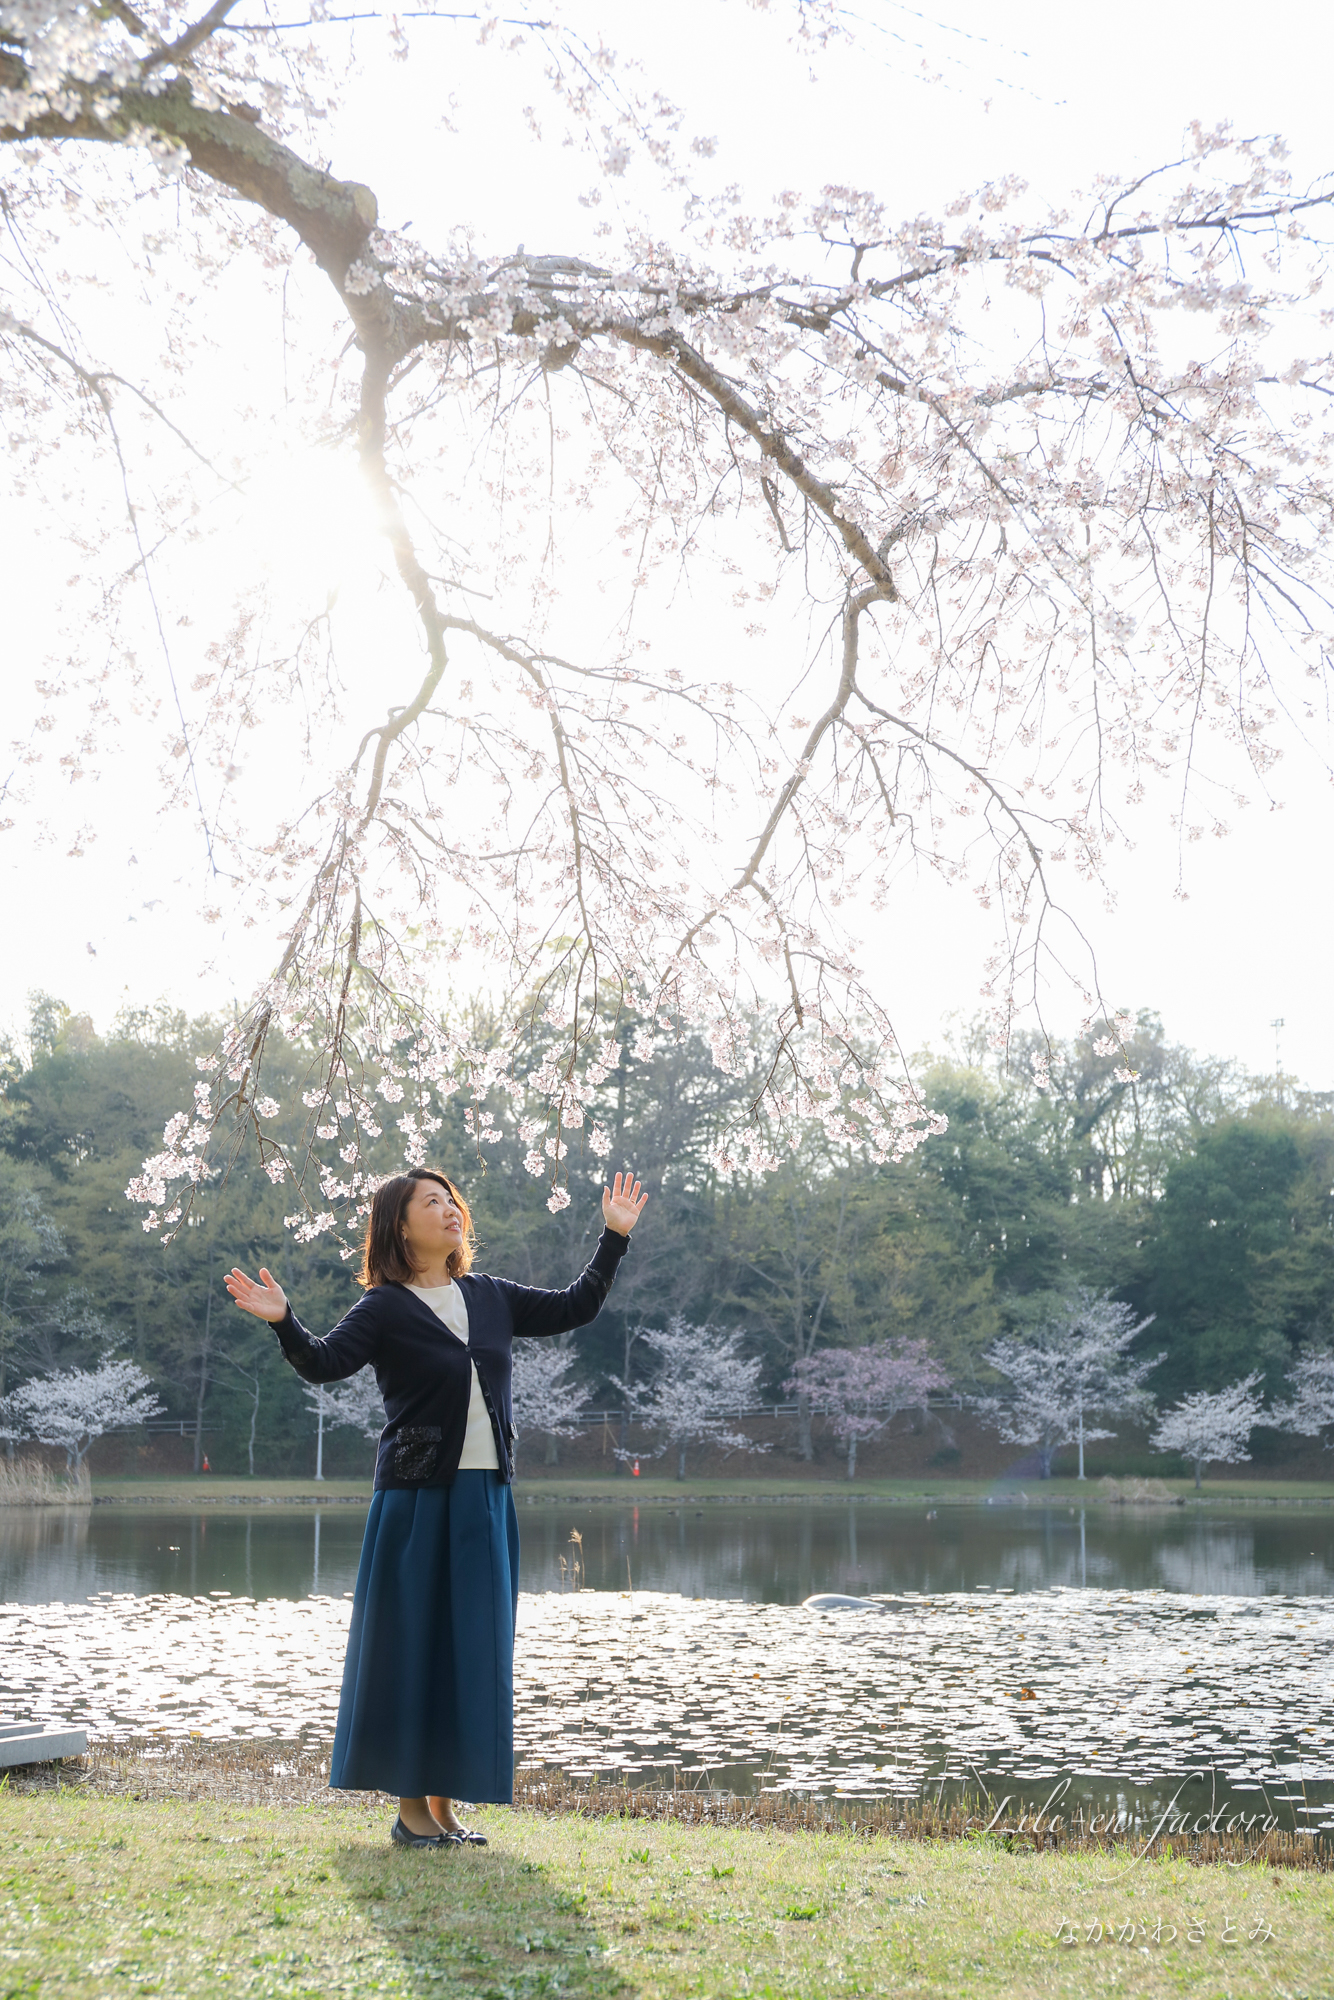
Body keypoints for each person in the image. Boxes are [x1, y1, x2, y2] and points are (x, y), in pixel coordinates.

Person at [224, 1165, 647, 1848]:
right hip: (416, 1503)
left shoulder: (491, 1296)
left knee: (471, 1651)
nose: (450, 1211)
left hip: (486, 1499)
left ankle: (445, 1808)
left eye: (453, 1201)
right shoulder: (384, 1308)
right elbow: (325, 1363)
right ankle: (411, 1812)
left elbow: (577, 1307)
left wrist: (614, 1238)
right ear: (400, 1224)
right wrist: (285, 1323)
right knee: (415, 1649)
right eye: (432, 1202)